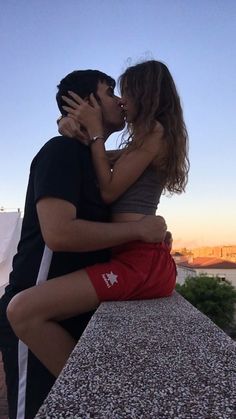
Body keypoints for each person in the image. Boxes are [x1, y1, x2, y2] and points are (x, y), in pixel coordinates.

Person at [7, 59, 189, 386]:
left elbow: (109, 189)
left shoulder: (147, 137)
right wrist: (70, 124)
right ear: (89, 103)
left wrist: (92, 134)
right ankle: (102, 395)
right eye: (112, 93)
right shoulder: (65, 153)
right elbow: (63, 230)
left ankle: (103, 397)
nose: (121, 100)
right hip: (58, 294)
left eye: (126, 93)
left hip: (135, 262)